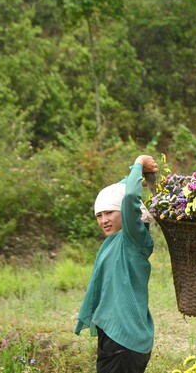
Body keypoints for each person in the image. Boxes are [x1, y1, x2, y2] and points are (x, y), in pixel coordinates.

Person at [75, 155, 158, 373]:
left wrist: (139, 161)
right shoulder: (116, 241)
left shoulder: (133, 238)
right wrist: (136, 171)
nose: (104, 220)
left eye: (109, 212)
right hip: (115, 338)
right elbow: (122, 189)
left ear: (126, 213)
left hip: (124, 341)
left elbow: (129, 196)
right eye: (99, 215)